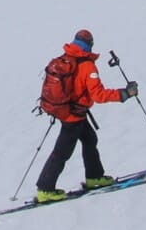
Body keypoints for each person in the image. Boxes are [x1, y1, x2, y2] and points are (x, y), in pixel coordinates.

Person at [35, 28, 139, 202]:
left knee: (90, 140)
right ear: (89, 45)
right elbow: (98, 95)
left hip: (70, 112)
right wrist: (125, 94)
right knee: (62, 152)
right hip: (73, 116)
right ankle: (45, 188)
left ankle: (94, 177)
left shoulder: (67, 58)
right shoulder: (86, 65)